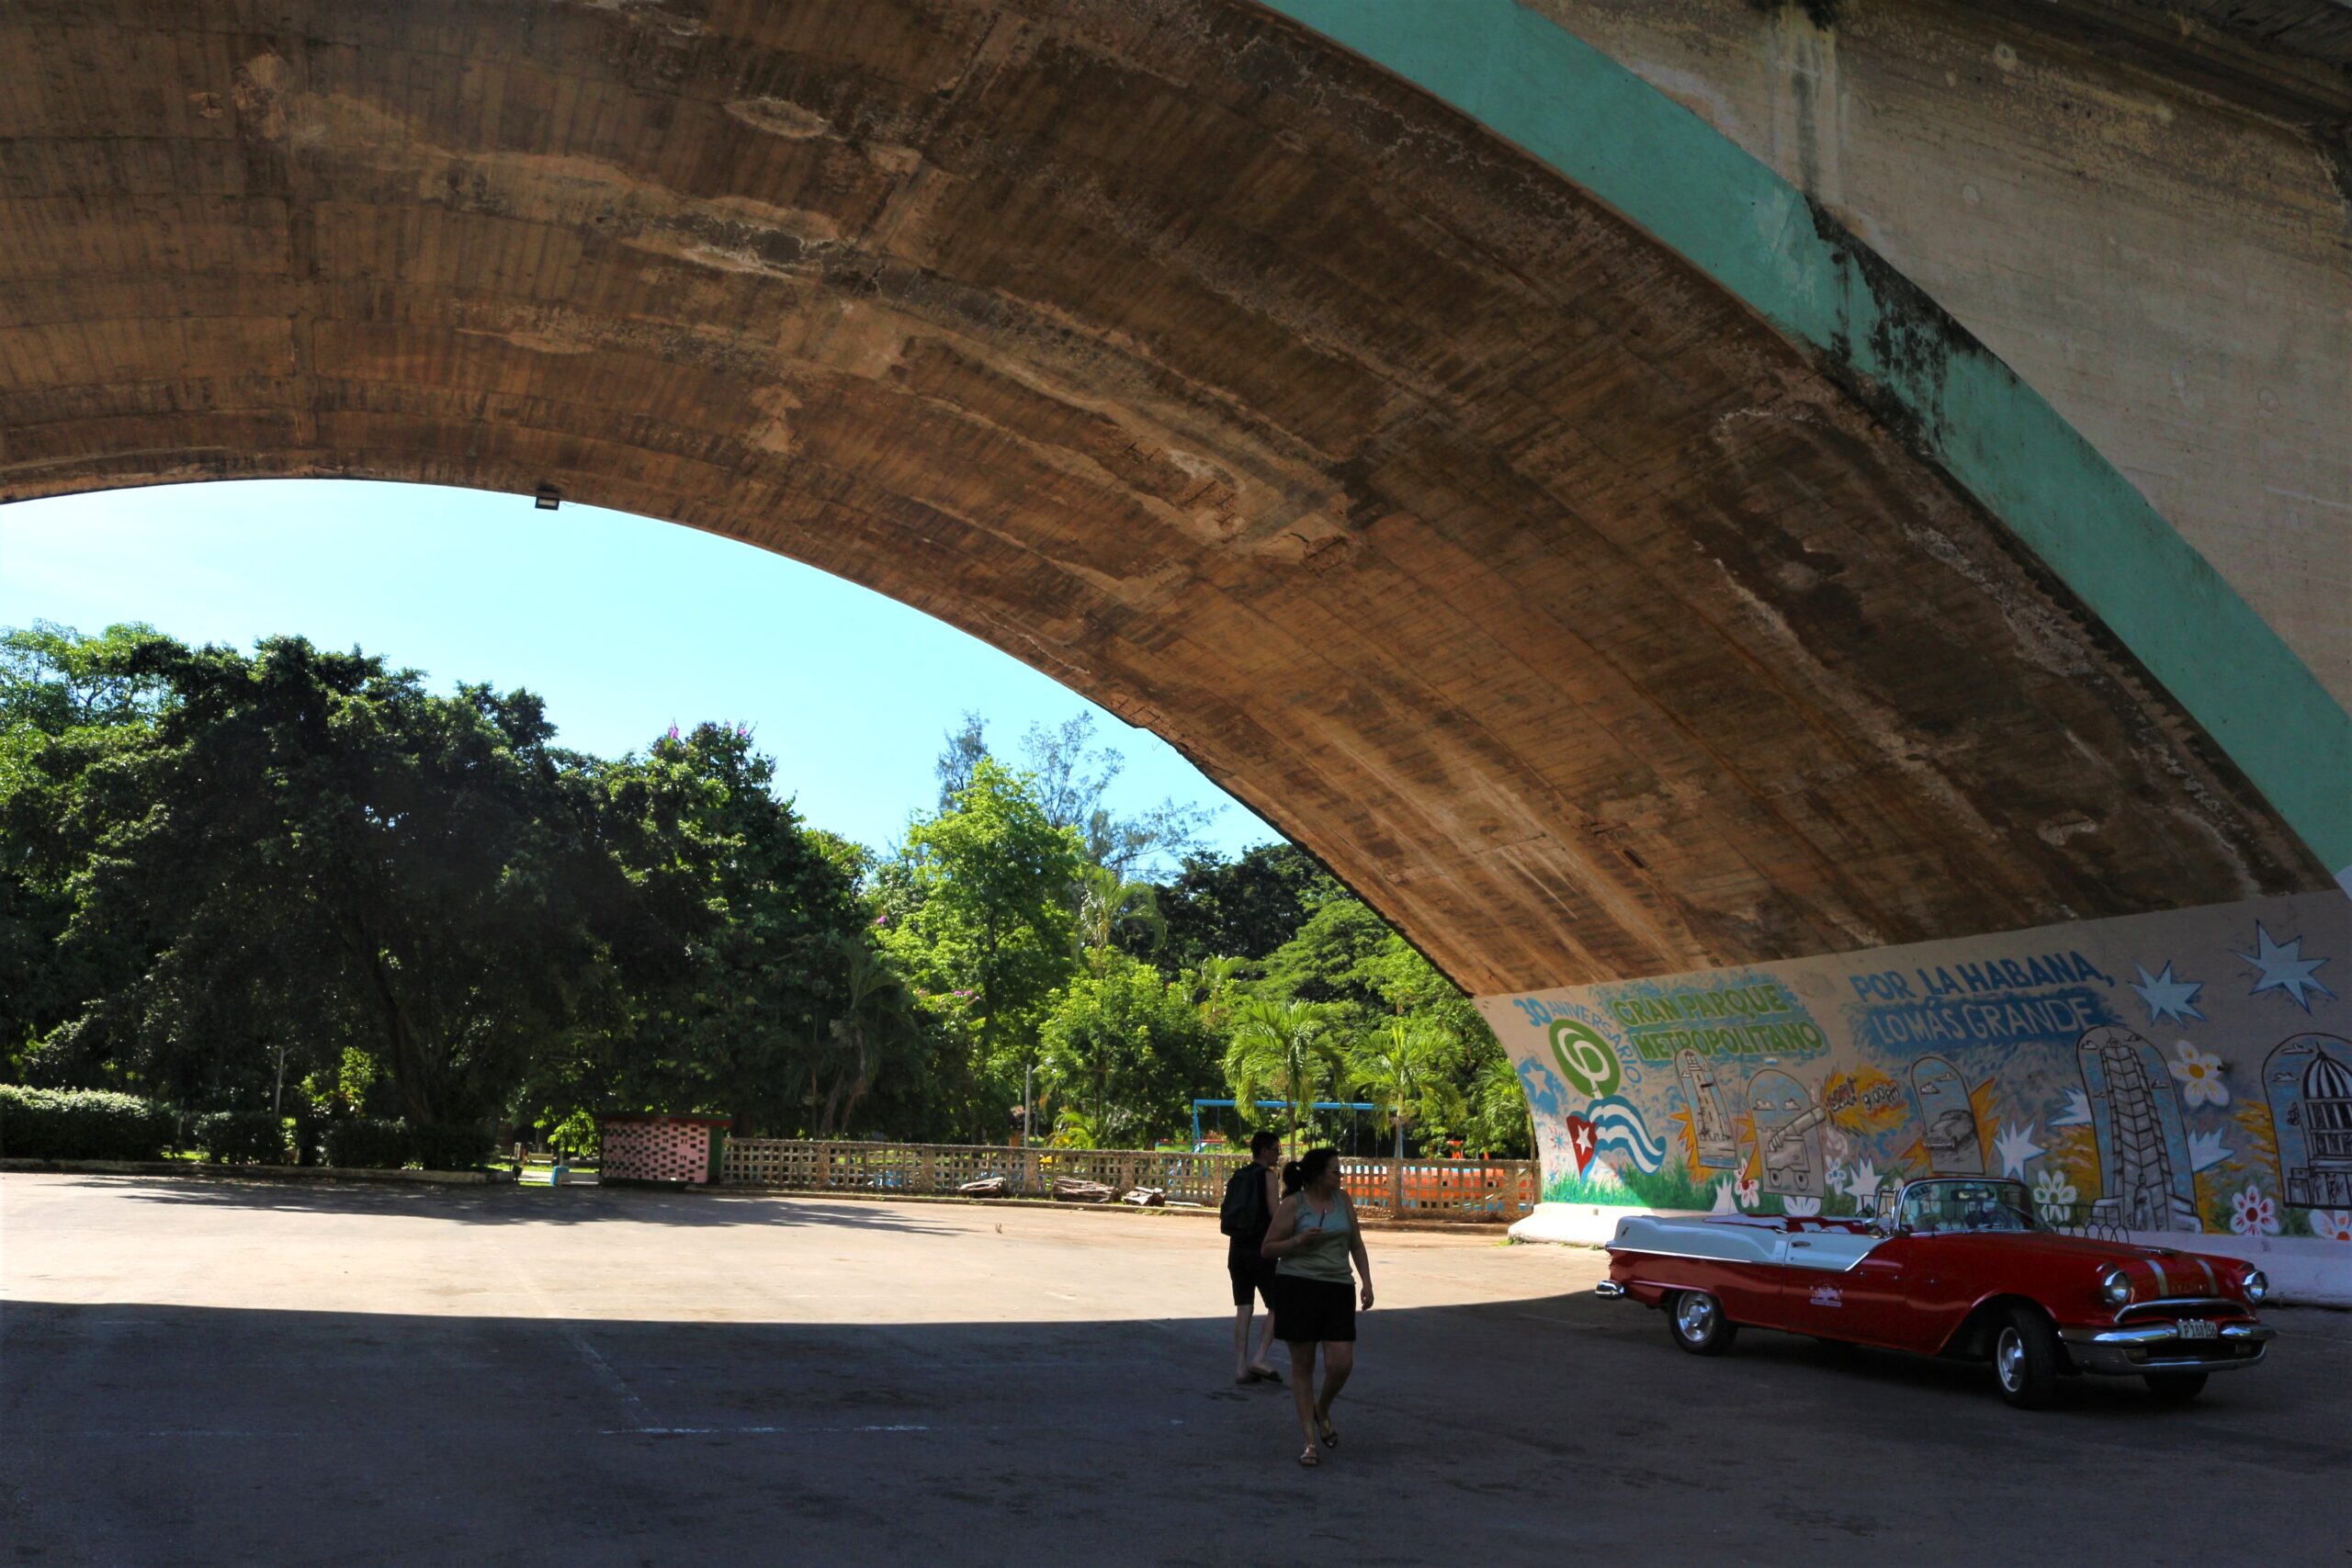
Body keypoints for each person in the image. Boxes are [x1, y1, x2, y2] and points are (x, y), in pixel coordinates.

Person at [1261, 1146, 1373, 1467]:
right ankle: (1309, 1441)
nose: (1341, 1176)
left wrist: (1366, 1281)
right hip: (1298, 1286)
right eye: (1335, 1171)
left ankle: (1321, 1407)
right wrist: (1298, 1242)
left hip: (1338, 1287)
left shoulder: (1343, 1201)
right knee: (1303, 1365)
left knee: (1341, 1362)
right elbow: (1268, 1249)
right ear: (1316, 1176)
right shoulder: (1293, 1205)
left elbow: (1356, 1243)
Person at [1220, 1130, 1284, 1384]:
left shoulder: (1239, 1175)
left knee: (1243, 1307)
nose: (1278, 1153)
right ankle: (1259, 1357)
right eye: (1276, 1149)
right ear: (1266, 1151)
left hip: (1237, 1250)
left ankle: (1240, 1367)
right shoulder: (1267, 1176)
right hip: (1261, 1249)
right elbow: (1275, 1213)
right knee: (1278, 1303)